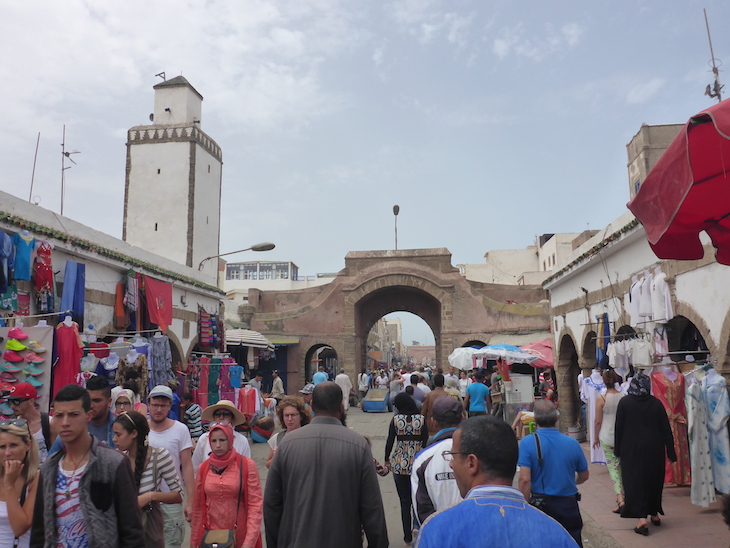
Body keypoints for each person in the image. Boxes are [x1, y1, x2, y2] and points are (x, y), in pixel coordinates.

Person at [416, 416, 577, 548]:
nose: (451, 464)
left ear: (472, 463)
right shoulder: (557, 534)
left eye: (454, 456)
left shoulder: (438, 530)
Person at [264, 382, 388, 548]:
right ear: (341, 407)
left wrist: (275, 543)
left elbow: (272, 502)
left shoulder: (287, 444)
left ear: (312, 405)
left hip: (295, 540)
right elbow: (372, 507)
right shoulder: (358, 445)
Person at [30, 384, 144, 547]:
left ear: (88, 415)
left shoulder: (113, 463)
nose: (65, 422)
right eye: (59, 415)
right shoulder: (49, 468)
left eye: (73, 415)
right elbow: (39, 532)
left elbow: (132, 531)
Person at [518, 399, 589, 546]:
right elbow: (584, 475)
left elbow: (524, 480)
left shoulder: (527, 443)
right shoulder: (572, 443)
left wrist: (524, 507)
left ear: (535, 419)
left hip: (541, 505)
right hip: (568, 505)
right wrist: (572, 481)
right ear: (557, 418)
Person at [614, 373, 676, 536]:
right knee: (653, 480)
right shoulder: (656, 404)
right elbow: (666, 429)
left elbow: (619, 428)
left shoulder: (625, 403)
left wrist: (617, 451)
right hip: (654, 449)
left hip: (631, 450)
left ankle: (642, 518)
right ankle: (654, 513)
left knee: (635, 481)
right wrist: (671, 452)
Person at [112, 411, 183, 547]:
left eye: (118, 434)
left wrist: (150, 496)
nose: (114, 439)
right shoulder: (116, 458)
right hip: (122, 528)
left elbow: (178, 495)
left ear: (134, 434)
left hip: (148, 527)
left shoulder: (160, 456)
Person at [190, 422, 263, 548]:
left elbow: (255, 506)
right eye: (213, 441)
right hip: (211, 536)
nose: (218, 445)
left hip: (240, 534)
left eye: (222, 440)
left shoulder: (246, 465)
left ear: (230, 441)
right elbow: (197, 508)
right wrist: (194, 542)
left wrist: (249, 542)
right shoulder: (203, 468)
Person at [146, 385, 193, 548]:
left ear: (169, 406)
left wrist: (190, 501)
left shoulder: (180, 430)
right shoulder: (141, 429)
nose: (158, 409)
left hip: (171, 499)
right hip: (144, 501)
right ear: (149, 404)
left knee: (172, 542)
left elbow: (186, 466)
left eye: (163, 405)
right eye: (155, 405)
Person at [411, 396, 464, 527]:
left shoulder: (422, 459)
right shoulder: (478, 453)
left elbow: (421, 510)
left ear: (433, 422)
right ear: (463, 419)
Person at [385, 393, 428, 546]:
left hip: (399, 464)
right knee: (419, 499)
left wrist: (386, 460)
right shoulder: (421, 420)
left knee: (404, 502)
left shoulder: (396, 420)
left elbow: (390, 441)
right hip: (417, 463)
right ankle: (417, 526)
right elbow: (425, 441)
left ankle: (407, 537)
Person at [0, 418, 40, 547]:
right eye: (2, 447)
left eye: (13, 445)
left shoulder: (36, 478)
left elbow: (20, 528)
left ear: (28, 445)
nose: (7, 453)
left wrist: (9, 485)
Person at [593, 368, 625, 513]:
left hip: (606, 436)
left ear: (604, 381)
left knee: (613, 468)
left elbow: (597, 421)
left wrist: (595, 438)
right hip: (622, 437)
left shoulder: (602, 398)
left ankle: (620, 497)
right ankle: (626, 495)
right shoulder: (623, 397)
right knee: (624, 467)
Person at [192, 400, 252, 470]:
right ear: (214, 418)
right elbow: (196, 467)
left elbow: (247, 468)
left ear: (232, 419)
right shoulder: (204, 439)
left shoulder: (242, 440)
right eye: (217, 414)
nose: (221, 417)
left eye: (226, 414)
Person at [8, 383, 52, 464]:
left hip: (45, 474)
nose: (12, 406)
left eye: (16, 401)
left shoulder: (49, 422)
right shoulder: (12, 426)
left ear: (31, 401)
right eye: (10, 402)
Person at [265, 397, 311, 468]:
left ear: (301, 416)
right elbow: (268, 465)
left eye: (293, 415)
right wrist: (276, 457)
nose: (289, 419)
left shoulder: (309, 437)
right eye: (286, 415)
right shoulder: (277, 438)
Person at [85, 375, 116, 448]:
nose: (91, 405)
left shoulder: (120, 425)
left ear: (109, 402)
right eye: (88, 400)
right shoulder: (77, 424)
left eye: (97, 401)